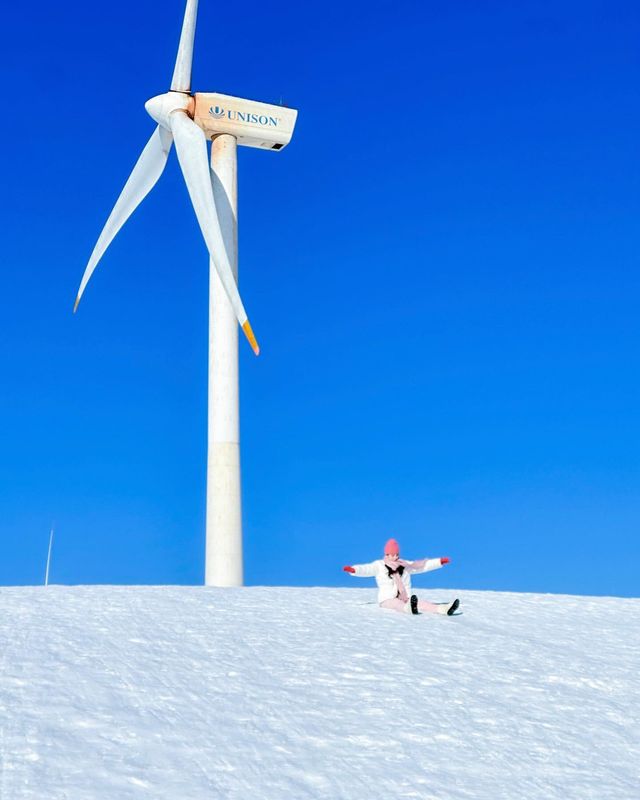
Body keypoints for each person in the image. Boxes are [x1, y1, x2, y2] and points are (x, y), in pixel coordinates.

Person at [343, 537, 460, 615]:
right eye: (392, 555)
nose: (395, 557)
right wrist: (354, 570)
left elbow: (421, 567)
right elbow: (366, 569)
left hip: (406, 598)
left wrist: (439, 562)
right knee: (396, 604)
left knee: (423, 603)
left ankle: (443, 609)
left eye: (397, 554)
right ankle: (408, 609)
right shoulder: (379, 565)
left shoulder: (404, 565)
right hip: (387, 599)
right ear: (386, 554)